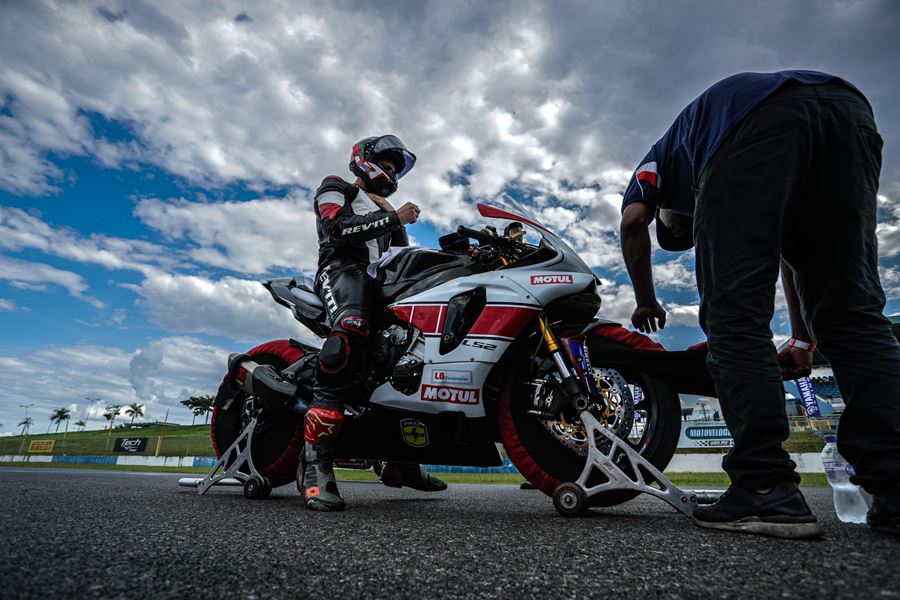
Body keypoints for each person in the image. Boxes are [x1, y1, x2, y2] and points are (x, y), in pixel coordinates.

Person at [619, 71, 900, 538]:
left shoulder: (657, 162)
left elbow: (632, 222)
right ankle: (896, 486)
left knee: (733, 318)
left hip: (754, 123)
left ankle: (765, 486)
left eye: (685, 222)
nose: (690, 222)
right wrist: (803, 338)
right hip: (848, 114)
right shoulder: (705, 141)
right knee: (852, 313)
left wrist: (645, 300)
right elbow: (794, 255)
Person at [300, 135, 447, 511]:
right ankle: (316, 463)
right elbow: (334, 228)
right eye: (387, 163)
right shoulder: (337, 186)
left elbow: (403, 257)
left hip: (381, 284)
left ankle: (401, 461)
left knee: (415, 348)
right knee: (350, 330)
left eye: (397, 168)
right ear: (364, 160)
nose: (392, 171)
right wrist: (392, 216)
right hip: (342, 270)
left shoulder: (388, 211)